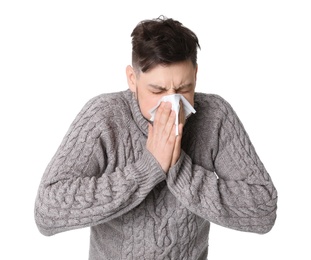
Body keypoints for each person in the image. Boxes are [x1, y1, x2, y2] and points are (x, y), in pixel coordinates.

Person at [34, 16, 278, 260]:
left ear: (196, 74)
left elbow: (263, 209)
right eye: (157, 91)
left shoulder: (215, 116)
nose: (172, 102)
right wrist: (148, 168)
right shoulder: (104, 117)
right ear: (132, 79)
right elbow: (47, 211)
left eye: (184, 88)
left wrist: (179, 169)